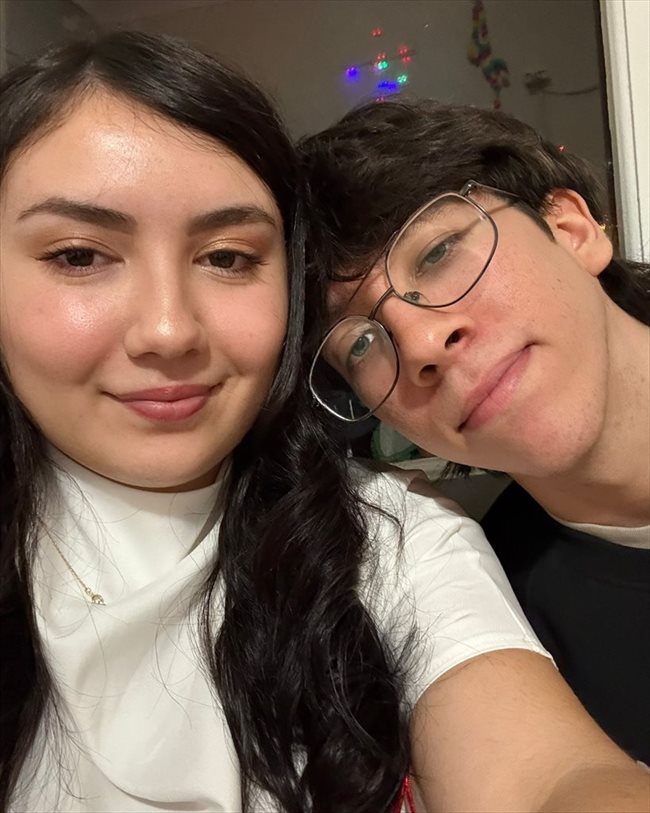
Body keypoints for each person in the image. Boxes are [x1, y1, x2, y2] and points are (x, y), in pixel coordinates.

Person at [0, 33, 648, 813]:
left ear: (572, 227)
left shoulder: (390, 539)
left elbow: (548, 778)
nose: (168, 330)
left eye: (228, 257)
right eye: (77, 255)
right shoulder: (514, 564)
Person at [300, 99, 650, 767]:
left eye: (437, 253)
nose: (421, 343)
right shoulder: (498, 636)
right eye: (362, 343)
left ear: (572, 230)